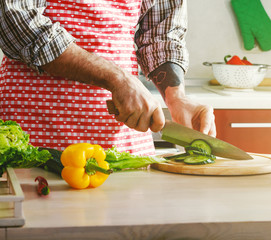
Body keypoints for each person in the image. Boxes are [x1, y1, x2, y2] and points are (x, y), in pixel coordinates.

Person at [0, 0, 216, 155]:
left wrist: (176, 97)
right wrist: (117, 79)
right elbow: (17, 21)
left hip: (124, 139)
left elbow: (162, 35)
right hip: (34, 134)